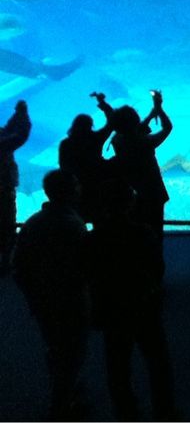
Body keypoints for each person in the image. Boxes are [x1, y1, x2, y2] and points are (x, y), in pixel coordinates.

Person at [86, 178, 178, 420]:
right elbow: (158, 268)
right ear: (131, 204)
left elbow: (88, 273)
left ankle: (126, 413)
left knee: (117, 365)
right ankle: (165, 410)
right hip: (144, 305)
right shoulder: (144, 233)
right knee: (158, 361)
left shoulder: (94, 237)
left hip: (112, 308)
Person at [12, 169, 90, 419]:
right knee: (72, 350)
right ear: (70, 191)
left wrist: (32, 295)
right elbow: (87, 266)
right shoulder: (73, 225)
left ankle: (62, 388)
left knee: (55, 346)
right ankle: (61, 405)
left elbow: (18, 266)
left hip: (42, 301)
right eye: (76, 183)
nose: (80, 188)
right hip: (71, 301)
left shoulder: (32, 223)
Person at [101, 90, 173, 243]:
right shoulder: (144, 142)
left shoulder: (117, 139)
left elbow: (132, 129)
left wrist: (152, 113)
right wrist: (159, 110)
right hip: (152, 192)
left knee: (135, 233)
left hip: (132, 191)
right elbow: (167, 128)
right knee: (154, 232)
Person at [58, 111, 115, 224]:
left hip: (77, 186)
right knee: (99, 216)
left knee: (79, 218)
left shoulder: (66, 144)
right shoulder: (95, 138)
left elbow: (64, 166)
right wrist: (103, 104)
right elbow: (111, 124)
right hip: (97, 183)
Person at [0, 99, 32, 274]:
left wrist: (18, 114)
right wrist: (23, 113)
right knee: (6, 224)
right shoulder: (2, 143)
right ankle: (6, 261)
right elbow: (19, 135)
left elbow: (9, 130)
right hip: (3, 190)